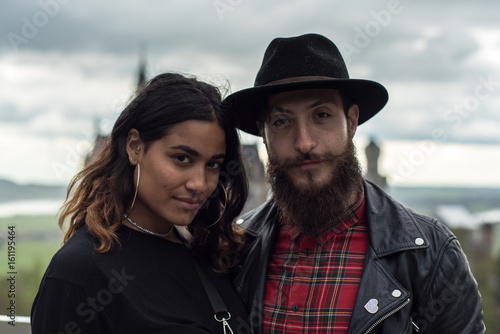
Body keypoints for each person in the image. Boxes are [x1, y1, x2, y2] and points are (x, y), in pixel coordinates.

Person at [225, 33, 486, 333]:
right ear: (264, 133)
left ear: (351, 122)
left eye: (321, 115)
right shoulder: (236, 249)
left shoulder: (429, 256)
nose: (304, 142)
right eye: (282, 122)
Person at [31, 73, 250, 333]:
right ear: (135, 146)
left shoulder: (213, 253)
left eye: (213, 164)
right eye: (182, 158)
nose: (200, 184)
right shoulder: (78, 273)